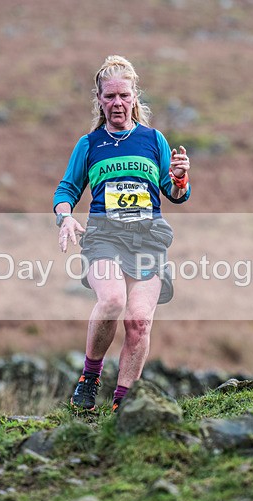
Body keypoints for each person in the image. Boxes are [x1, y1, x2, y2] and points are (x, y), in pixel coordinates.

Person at [53, 55, 191, 413]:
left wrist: (178, 178)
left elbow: (173, 193)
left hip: (148, 238)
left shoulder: (153, 139)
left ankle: (122, 405)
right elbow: (66, 189)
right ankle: (90, 378)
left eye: (124, 96)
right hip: (104, 237)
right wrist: (65, 218)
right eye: (110, 96)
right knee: (112, 300)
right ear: (99, 99)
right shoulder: (89, 144)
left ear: (134, 98)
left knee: (139, 322)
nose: (117, 103)